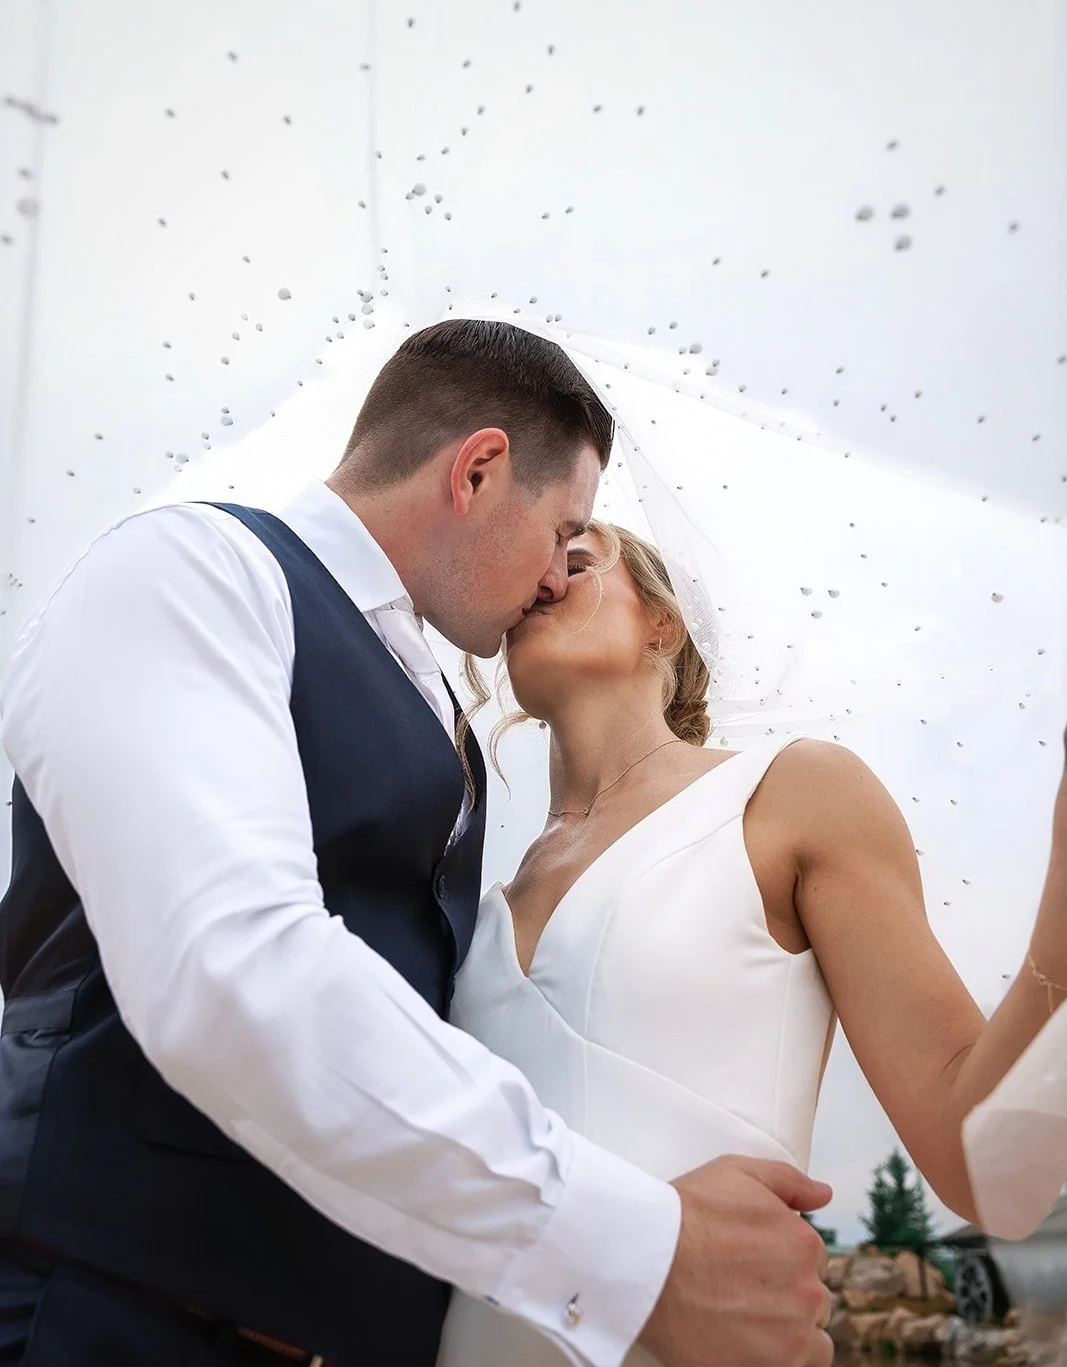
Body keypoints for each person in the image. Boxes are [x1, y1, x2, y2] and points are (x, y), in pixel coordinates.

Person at [0, 320, 834, 1367]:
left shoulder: (445, 724)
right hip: (113, 1322)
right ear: (479, 470)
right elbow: (229, 971)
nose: (552, 579)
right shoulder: (193, 572)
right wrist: (641, 1252)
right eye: (563, 529)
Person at [438, 520, 1067, 1367]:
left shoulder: (790, 794)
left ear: (663, 622)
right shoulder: (471, 906)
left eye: (576, 560)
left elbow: (983, 1164)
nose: (540, 578)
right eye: (526, 566)